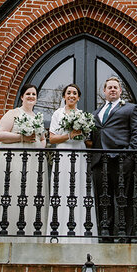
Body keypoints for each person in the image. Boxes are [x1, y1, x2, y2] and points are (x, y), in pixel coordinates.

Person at [90, 76, 137, 241]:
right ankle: (105, 234)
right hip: (100, 161)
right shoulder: (96, 113)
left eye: (115, 87)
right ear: (104, 91)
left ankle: (124, 235)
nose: (112, 90)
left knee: (123, 198)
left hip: (121, 160)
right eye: (109, 87)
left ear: (120, 91)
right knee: (103, 199)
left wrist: (129, 154)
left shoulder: (130, 108)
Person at [0, 84, 47, 241]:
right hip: (14, 160)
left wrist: (38, 149)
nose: (31, 96)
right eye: (28, 93)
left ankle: (29, 234)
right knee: (14, 192)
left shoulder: (37, 118)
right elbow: (0, 134)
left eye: (34, 94)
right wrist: (21, 138)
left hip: (32, 162)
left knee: (29, 195)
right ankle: (7, 233)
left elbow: (42, 139)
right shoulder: (13, 113)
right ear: (22, 97)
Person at [47, 83, 97, 242]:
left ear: (79, 97)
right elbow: (52, 138)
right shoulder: (57, 113)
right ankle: (58, 233)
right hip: (63, 153)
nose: (71, 95)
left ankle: (82, 234)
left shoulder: (83, 116)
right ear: (64, 96)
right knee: (61, 189)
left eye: (75, 93)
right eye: (68, 93)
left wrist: (82, 135)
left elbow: (88, 140)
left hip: (79, 153)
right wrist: (69, 135)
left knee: (80, 190)